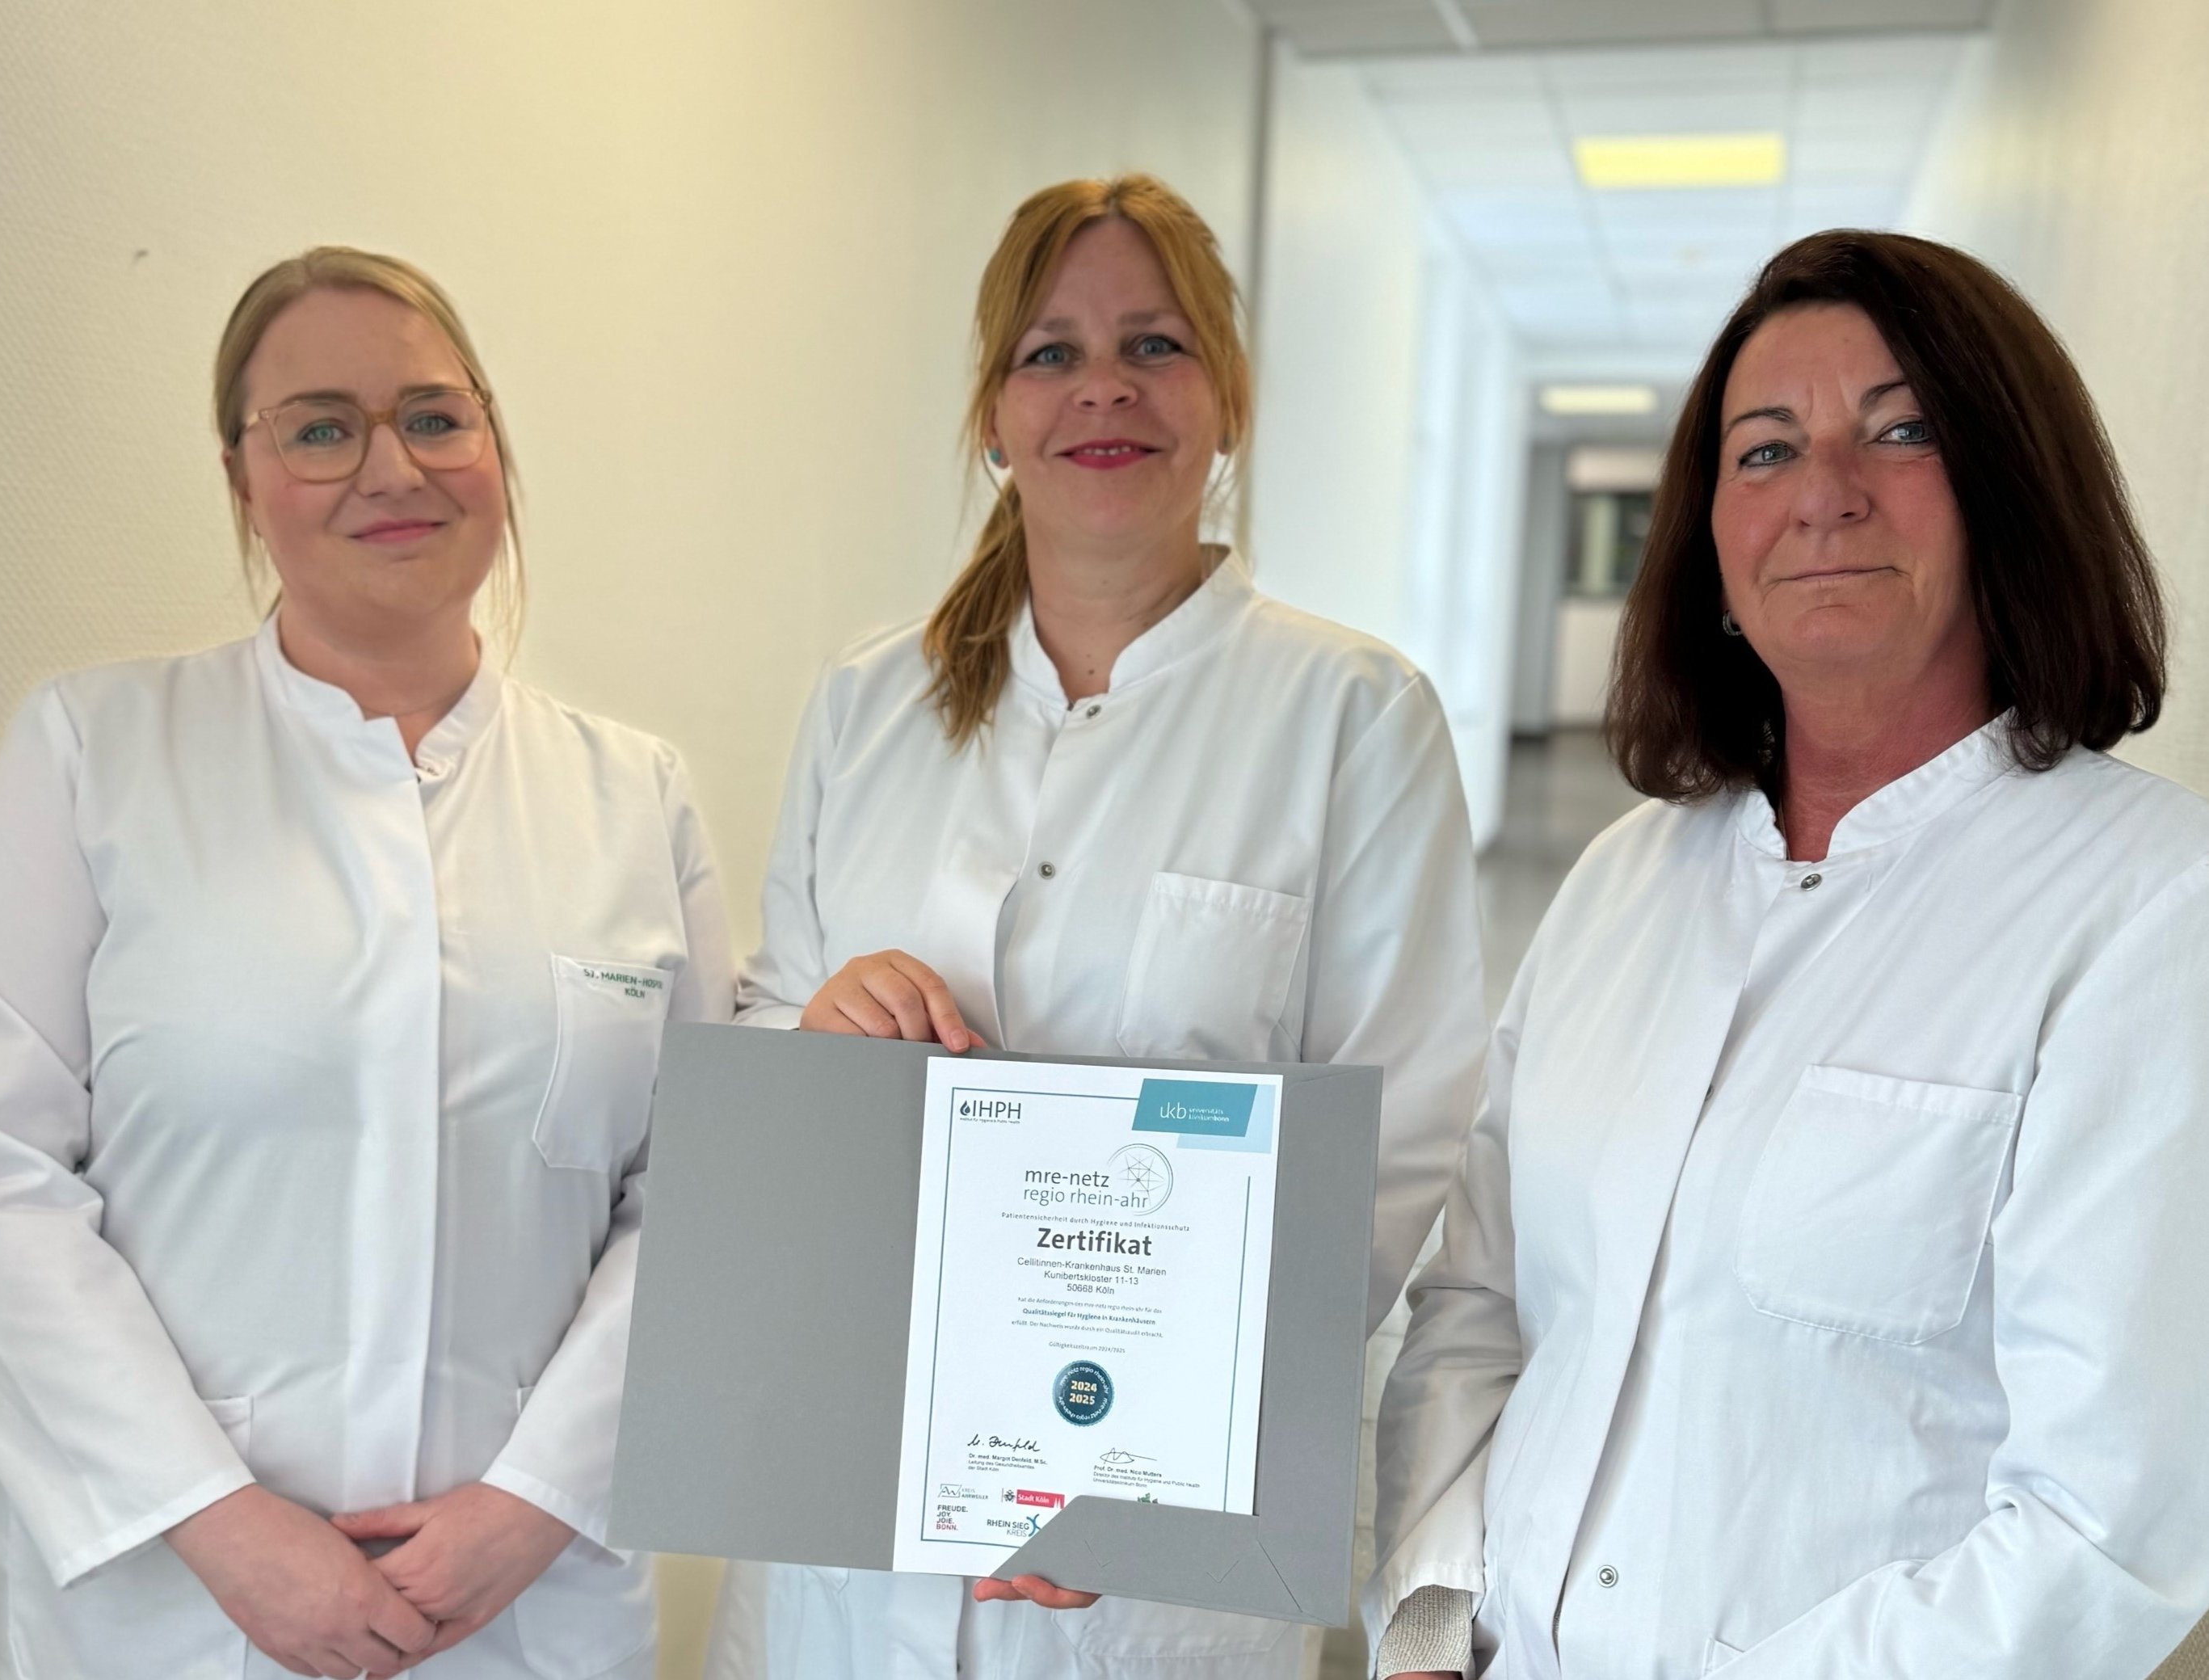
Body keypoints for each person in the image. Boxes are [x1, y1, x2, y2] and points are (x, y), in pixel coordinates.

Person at [1368, 229, 2209, 1680]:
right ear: (1709, 537)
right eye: (1764, 452)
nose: (1825, 491)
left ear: (2010, 490)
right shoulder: (1624, 881)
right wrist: (1433, 1628)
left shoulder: (2147, 906)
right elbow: (1481, 1313)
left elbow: (2106, 1526)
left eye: (1904, 430)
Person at [703, 175, 1486, 1680]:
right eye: (1050, 352)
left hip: (1149, 1560)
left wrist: (1121, 1450)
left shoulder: (1351, 717)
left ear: (1230, 398)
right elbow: (765, 1052)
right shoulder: (866, 706)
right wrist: (822, 1026)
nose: (1103, 389)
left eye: (1157, 345)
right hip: (849, 1522)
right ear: (993, 413)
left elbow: (1393, 1147)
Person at [0, 247, 733, 1678]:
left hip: (523, 1605)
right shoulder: (96, 755)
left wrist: (531, 1505)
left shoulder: (633, 796)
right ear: (243, 480)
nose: (392, 467)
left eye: (435, 417)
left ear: (494, 447)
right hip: (180, 1611)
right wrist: (218, 1523)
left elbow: (694, 1194)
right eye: (320, 428)